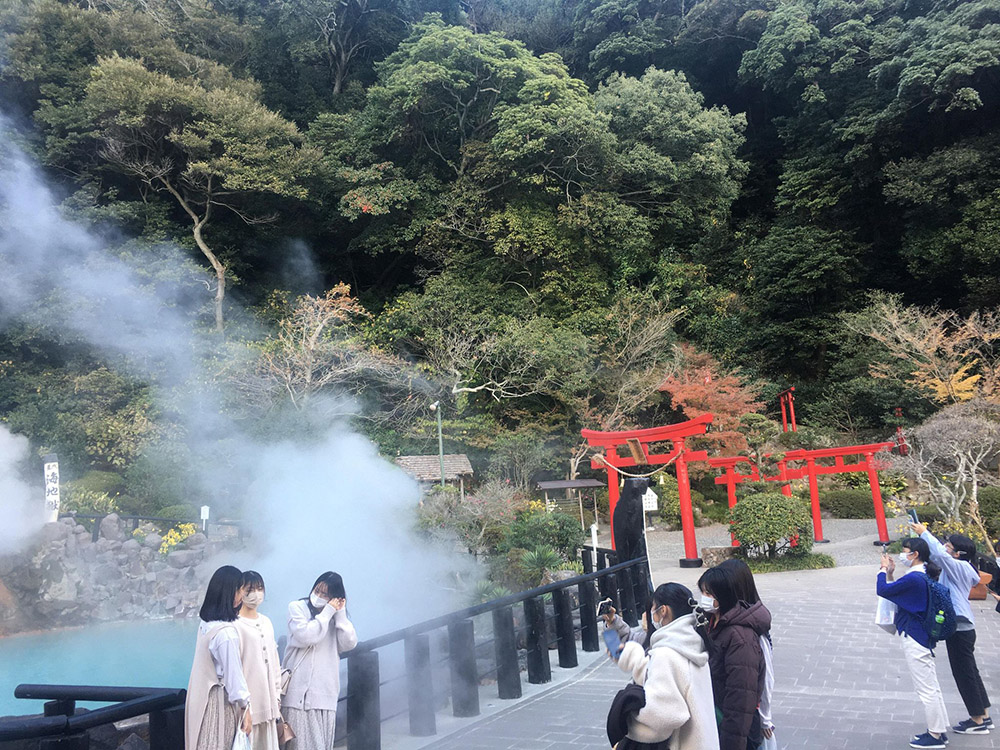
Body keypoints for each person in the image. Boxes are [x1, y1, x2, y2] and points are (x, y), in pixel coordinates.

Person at [614, 583, 720, 750]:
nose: (649, 615)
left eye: (652, 608)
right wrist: (634, 659)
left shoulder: (666, 653)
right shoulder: (693, 643)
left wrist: (624, 722)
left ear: (663, 611)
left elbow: (663, 716)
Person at [911, 523, 993, 734]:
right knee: (970, 671)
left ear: (958, 553)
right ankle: (983, 715)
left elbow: (941, 556)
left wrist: (924, 533)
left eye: (948, 546)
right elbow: (938, 557)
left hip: (960, 627)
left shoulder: (960, 566)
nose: (945, 547)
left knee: (964, 673)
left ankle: (976, 721)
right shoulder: (960, 566)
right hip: (963, 626)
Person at [878, 538, 950, 749]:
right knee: (932, 686)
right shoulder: (921, 575)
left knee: (926, 688)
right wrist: (891, 572)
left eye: (905, 551)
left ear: (915, 554)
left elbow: (883, 590)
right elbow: (897, 591)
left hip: (915, 636)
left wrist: (882, 570)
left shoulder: (915, 578)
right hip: (922, 635)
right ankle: (940, 729)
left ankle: (935, 735)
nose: (903, 554)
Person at [698, 564, 770, 750]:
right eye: (703, 592)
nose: (704, 599)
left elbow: (741, 698)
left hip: (735, 730)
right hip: (718, 720)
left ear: (724, 596)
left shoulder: (740, 638)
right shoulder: (713, 622)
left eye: (709, 594)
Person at [283, 572, 358, 750]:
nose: (319, 596)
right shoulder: (297, 608)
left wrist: (339, 615)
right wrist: (327, 612)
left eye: (326, 594)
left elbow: (349, 643)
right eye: (317, 590)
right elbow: (307, 635)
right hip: (297, 697)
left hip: (324, 695)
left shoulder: (334, 618)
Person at [186, 565, 253, 750]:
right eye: (240, 591)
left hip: (200, 699)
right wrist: (246, 708)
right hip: (218, 702)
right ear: (230, 593)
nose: (242, 597)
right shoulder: (226, 634)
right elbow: (234, 677)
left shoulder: (206, 625)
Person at [718, 559, 776, 749]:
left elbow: (766, 676)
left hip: (748, 717)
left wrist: (766, 718)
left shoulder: (751, 629)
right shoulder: (723, 620)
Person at [236, 571, 282, 750]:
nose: (256, 593)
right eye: (250, 589)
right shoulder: (235, 624)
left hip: (269, 701)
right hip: (248, 706)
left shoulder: (266, 622)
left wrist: (277, 694)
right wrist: (243, 705)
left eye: (259, 588)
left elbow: (274, 660)